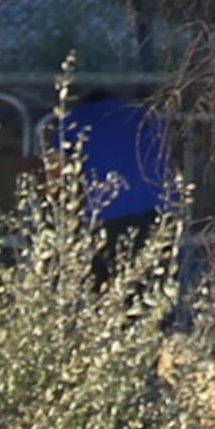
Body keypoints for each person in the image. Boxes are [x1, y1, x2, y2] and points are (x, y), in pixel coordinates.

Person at [51, 88, 174, 283]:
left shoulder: (72, 122)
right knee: (151, 283)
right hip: (157, 209)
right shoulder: (145, 117)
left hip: (105, 212)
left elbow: (55, 174)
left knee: (102, 285)